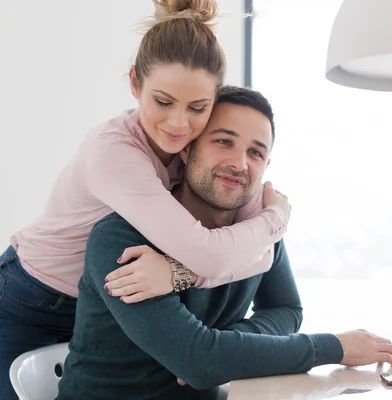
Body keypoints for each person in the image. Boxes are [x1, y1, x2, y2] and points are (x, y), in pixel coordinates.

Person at [0, 1, 290, 398]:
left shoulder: (197, 159)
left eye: (198, 108)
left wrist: (178, 273)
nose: (178, 124)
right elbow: (215, 256)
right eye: (163, 101)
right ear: (135, 83)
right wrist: (275, 220)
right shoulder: (114, 153)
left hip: (106, 297)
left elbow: (262, 258)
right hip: (27, 299)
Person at [57, 86, 392, 400]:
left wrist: (229, 342)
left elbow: (286, 310)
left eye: (255, 152)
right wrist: (335, 347)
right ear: (187, 150)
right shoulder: (120, 238)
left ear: (265, 165)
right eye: (223, 141)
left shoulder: (259, 234)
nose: (239, 164)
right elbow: (198, 363)